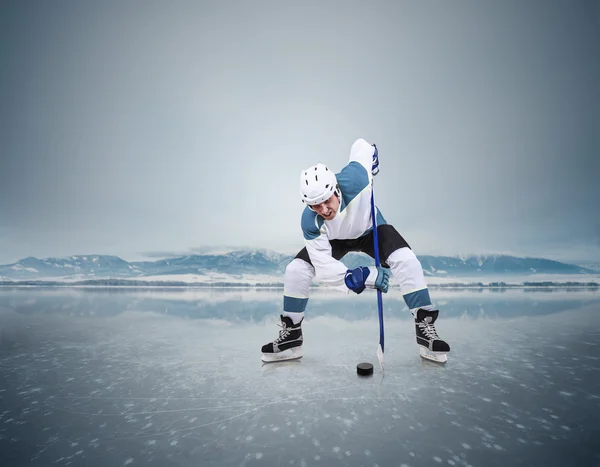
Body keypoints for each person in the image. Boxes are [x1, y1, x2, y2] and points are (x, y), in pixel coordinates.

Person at [260, 138, 450, 363]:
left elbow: (360, 145)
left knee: (406, 260)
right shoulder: (310, 223)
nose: (323, 210)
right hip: (334, 239)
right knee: (296, 270)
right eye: (315, 206)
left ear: (335, 189)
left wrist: (372, 153)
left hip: (371, 230)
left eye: (326, 200)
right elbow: (324, 268)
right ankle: (291, 337)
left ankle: (424, 327)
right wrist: (361, 277)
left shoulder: (358, 179)